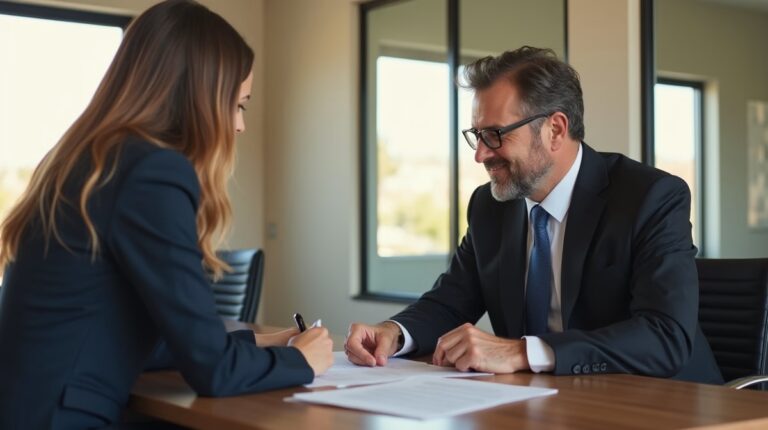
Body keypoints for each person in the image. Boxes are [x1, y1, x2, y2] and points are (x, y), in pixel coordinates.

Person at [0, 1, 333, 428]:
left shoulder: (85, 160)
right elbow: (214, 372)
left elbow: (123, 336)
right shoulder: (151, 171)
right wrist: (302, 361)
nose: (239, 126)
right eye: (238, 105)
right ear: (199, 99)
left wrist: (260, 342)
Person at [345, 46, 722, 384]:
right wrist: (395, 332)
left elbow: (664, 335)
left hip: (668, 405)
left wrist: (523, 351)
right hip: (549, 403)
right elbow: (451, 301)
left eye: (494, 134)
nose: (480, 154)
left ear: (555, 129)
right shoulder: (489, 207)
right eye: (476, 135)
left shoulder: (649, 198)